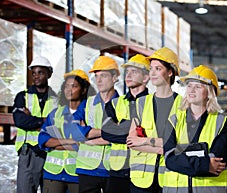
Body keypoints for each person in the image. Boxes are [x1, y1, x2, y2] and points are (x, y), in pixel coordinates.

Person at [163, 65, 227, 193]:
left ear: (209, 92)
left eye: (198, 86)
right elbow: (169, 159)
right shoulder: (173, 121)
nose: (191, 90)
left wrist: (182, 159)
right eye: (189, 85)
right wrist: (205, 164)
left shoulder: (221, 123)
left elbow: (217, 165)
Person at [126, 47, 182, 193]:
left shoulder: (183, 105)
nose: (153, 73)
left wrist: (143, 141)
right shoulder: (141, 103)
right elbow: (131, 141)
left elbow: (182, 143)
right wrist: (163, 148)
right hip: (141, 179)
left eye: (158, 68)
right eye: (151, 69)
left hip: (170, 177)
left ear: (170, 72)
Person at [101, 54, 150, 193]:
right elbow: (106, 133)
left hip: (144, 172)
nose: (128, 75)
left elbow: (155, 133)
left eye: (134, 72)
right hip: (118, 171)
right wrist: (137, 135)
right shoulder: (114, 103)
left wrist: (121, 126)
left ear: (146, 78)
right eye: (127, 71)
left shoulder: (154, 104)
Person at [38, 69, 91, 193]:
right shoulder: (55, 114)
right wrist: (71, 141)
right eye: (66, 86)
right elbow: (42, 140)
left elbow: (86, 145)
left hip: (78, 174)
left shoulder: (89, 113)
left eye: (74, 86)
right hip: (53, 174)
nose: (69, 89)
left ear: (83, 90)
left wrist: (55, 144)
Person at [75, 55, 120, 193]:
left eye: (103, 76)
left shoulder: (124, 104)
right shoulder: (87, 104)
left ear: (114, 78)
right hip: (87, 169)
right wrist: (108, 132)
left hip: (113, 168)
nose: (98, 80)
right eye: (96, 75)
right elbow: (75, 131)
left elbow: (123, 136)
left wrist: (89, 134)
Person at [13, 56, 58, 193]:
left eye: (40, 72)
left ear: (49, 74)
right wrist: (45, 120)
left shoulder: (57, 100)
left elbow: (59, 126)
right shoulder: (23, 97)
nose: (36, 76)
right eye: (33, 73)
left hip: (51, 153)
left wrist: (32, 119)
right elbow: (20, 121)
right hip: (29, 154)